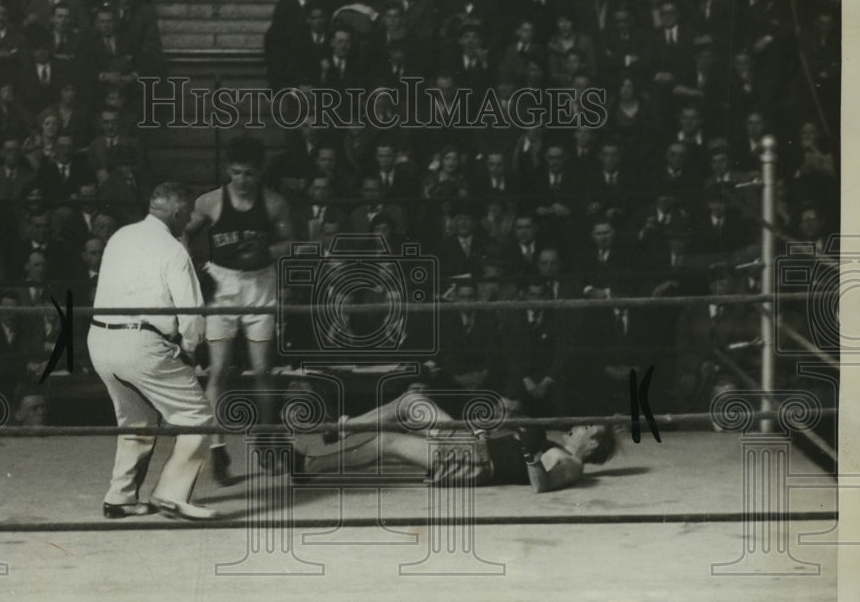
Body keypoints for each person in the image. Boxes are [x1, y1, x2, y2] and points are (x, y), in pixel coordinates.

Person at [88, 182, 217, 521]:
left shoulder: (121, 236)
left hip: (100, 340)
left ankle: (120, 498)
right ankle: (171, 496)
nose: (188, 220)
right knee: (197, 418)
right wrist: (191, 349)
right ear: (176, 213)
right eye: (187, 214)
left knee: (137, 420)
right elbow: (191, 312)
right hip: (141, 344)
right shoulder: (173, 249)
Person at [186, 136, 293, 485]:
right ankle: (218, 449)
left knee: (263, 369)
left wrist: (268, 252)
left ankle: (264, 436)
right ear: (227, 171)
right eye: (235, 173)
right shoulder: (211, 202)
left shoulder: (275, 204)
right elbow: (181, 233)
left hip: (260, 284)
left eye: (248, 173)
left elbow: (290, 242)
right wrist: (193, 269)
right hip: (222, 285)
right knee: (218, 370)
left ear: (259, 172)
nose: (242, 180)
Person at [291, 389, 616, 492]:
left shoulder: (572, 465)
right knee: (412, 402)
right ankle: (344, 427)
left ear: (594, 445)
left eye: (588, 427)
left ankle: (308, 465)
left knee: (387, 443)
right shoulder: (555, 445)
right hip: (473, 444)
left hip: (475, 462)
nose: (578, 425)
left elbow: (542, 486)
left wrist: (530, 451)